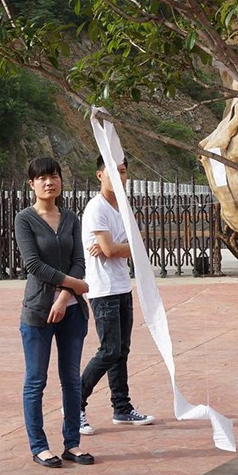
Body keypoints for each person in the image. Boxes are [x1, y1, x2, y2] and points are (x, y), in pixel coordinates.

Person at [13, 157, 92, 467]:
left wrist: (64, 298)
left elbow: (79, 260)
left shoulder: (71, 218)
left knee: (71, 380)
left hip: (71, 312)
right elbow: (33, 265)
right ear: (32, 184)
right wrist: (73, 284)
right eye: (42, 178)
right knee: (36, 380)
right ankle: (39, 446)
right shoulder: (25, 219)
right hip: (37, 313)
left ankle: (72, 443)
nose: (49, 182)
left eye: (54, 176)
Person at [78, 156, 156, 435]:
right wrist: (121, 246)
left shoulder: (123, 208)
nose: (119, 177)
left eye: (123, 172)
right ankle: (75, 404)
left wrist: (119, 246)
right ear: (100, 175)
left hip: (122, 286)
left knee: (121, 351)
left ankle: (121, 407)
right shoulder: (95, 208)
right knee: (109, 350)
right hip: (103, 290)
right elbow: (111, 250)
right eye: (113, 172)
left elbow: (134, 245)